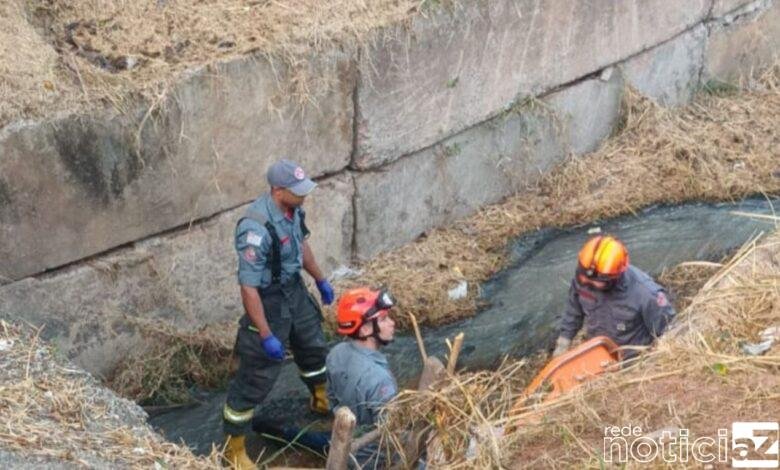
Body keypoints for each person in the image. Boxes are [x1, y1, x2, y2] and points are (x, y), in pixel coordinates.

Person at [222, 159, 335, 468]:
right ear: (278, 190)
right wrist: (266, 334)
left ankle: (320, 398)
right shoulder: (256, 228)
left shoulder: (293, 210)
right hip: (268, 300)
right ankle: (234, 449)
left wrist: (320, 278)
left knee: (312, 344)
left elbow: (302, 246)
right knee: (256, 374)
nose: (304, 196)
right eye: (297, 191)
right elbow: (249, 288)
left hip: (293, 290)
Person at [553, 235, 676, 360]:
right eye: (583, 277)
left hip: (633, 361)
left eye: (594, 281)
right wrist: (563, 343)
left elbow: (668, 333)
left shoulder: (646, 294)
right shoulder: (583, 279)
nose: (586, 283)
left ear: (614, 277)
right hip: (598, 353)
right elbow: (573, 312)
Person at [327, 287, 399, 468]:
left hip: (345, 449)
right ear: (365, 329)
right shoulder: (380, 380)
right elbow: (392, 434)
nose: (392, 323)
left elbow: (332, 400)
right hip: (372, 460)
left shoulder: (335, 353)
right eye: (384, 319)